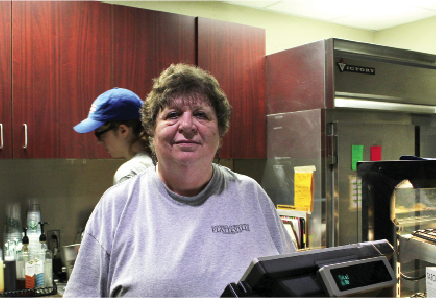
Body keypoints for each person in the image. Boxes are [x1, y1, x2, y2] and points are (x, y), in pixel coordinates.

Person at [64, 64, 296, 297]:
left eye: (201, 114)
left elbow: (293, 282)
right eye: (173, 114)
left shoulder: (251, 196)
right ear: (152, 130)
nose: (187, 126)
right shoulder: (116, 205)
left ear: (220, 130)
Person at [74, 87, 153, 185]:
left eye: (99, 133)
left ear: (123, 130)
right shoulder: (158, 162)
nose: (99, 141)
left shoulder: (129, 174)